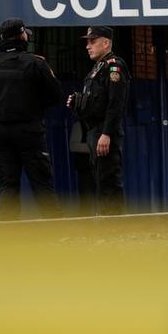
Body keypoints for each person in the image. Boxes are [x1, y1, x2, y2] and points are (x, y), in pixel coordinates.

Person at [0, 18, 64, 220]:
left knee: (8, 186)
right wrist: (34, 106)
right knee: (42, 184)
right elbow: (56, 96)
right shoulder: (36, 63)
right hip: (30, 131)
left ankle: (8, 239)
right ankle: (59, 235)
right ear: (22, 35)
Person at [66, 26, 131, 215]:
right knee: (100, 179)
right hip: (95, 131)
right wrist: (77, 103)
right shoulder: (97, 69)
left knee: (109, 179)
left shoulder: (114, 66)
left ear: (106, 43)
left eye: (92, 41)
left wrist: (107, 134)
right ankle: (106, 219)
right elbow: (95, 104)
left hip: (104, 131)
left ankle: (113, 224)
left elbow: (115, 103)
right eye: (87, 42)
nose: (88, 46)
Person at [68, 120, 95, 215]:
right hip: (85, 170)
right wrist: (93, 148)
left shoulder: (103, 124)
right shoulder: (79, 125)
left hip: (101, 169)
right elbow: (73, 146)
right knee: (86, 202)